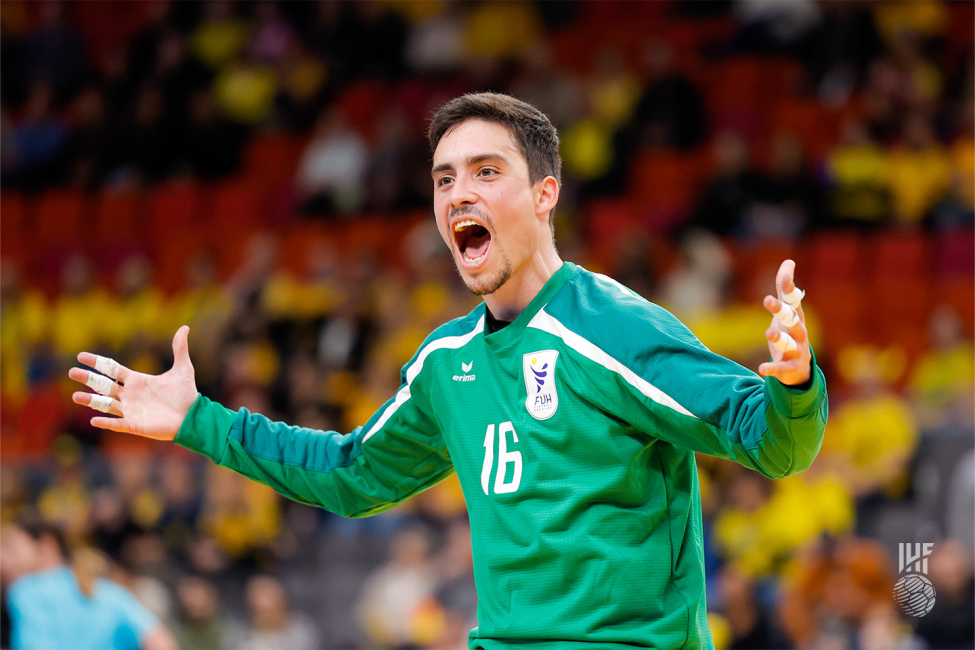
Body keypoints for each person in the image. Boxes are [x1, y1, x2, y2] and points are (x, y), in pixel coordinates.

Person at [69, 92, 828, 650]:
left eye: (484, 171)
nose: (458, 192)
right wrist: (200, 420)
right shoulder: (446, 363)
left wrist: (792, 385)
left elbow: (772, 443)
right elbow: (351, 474)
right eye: (442, 179)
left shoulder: (612, 328)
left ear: (543, 195)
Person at [0, 517, 177, 650]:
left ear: (47, 547)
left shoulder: (24, 591)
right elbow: (161, 642)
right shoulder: (110, 592)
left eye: (11, 549)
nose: (3, 561)